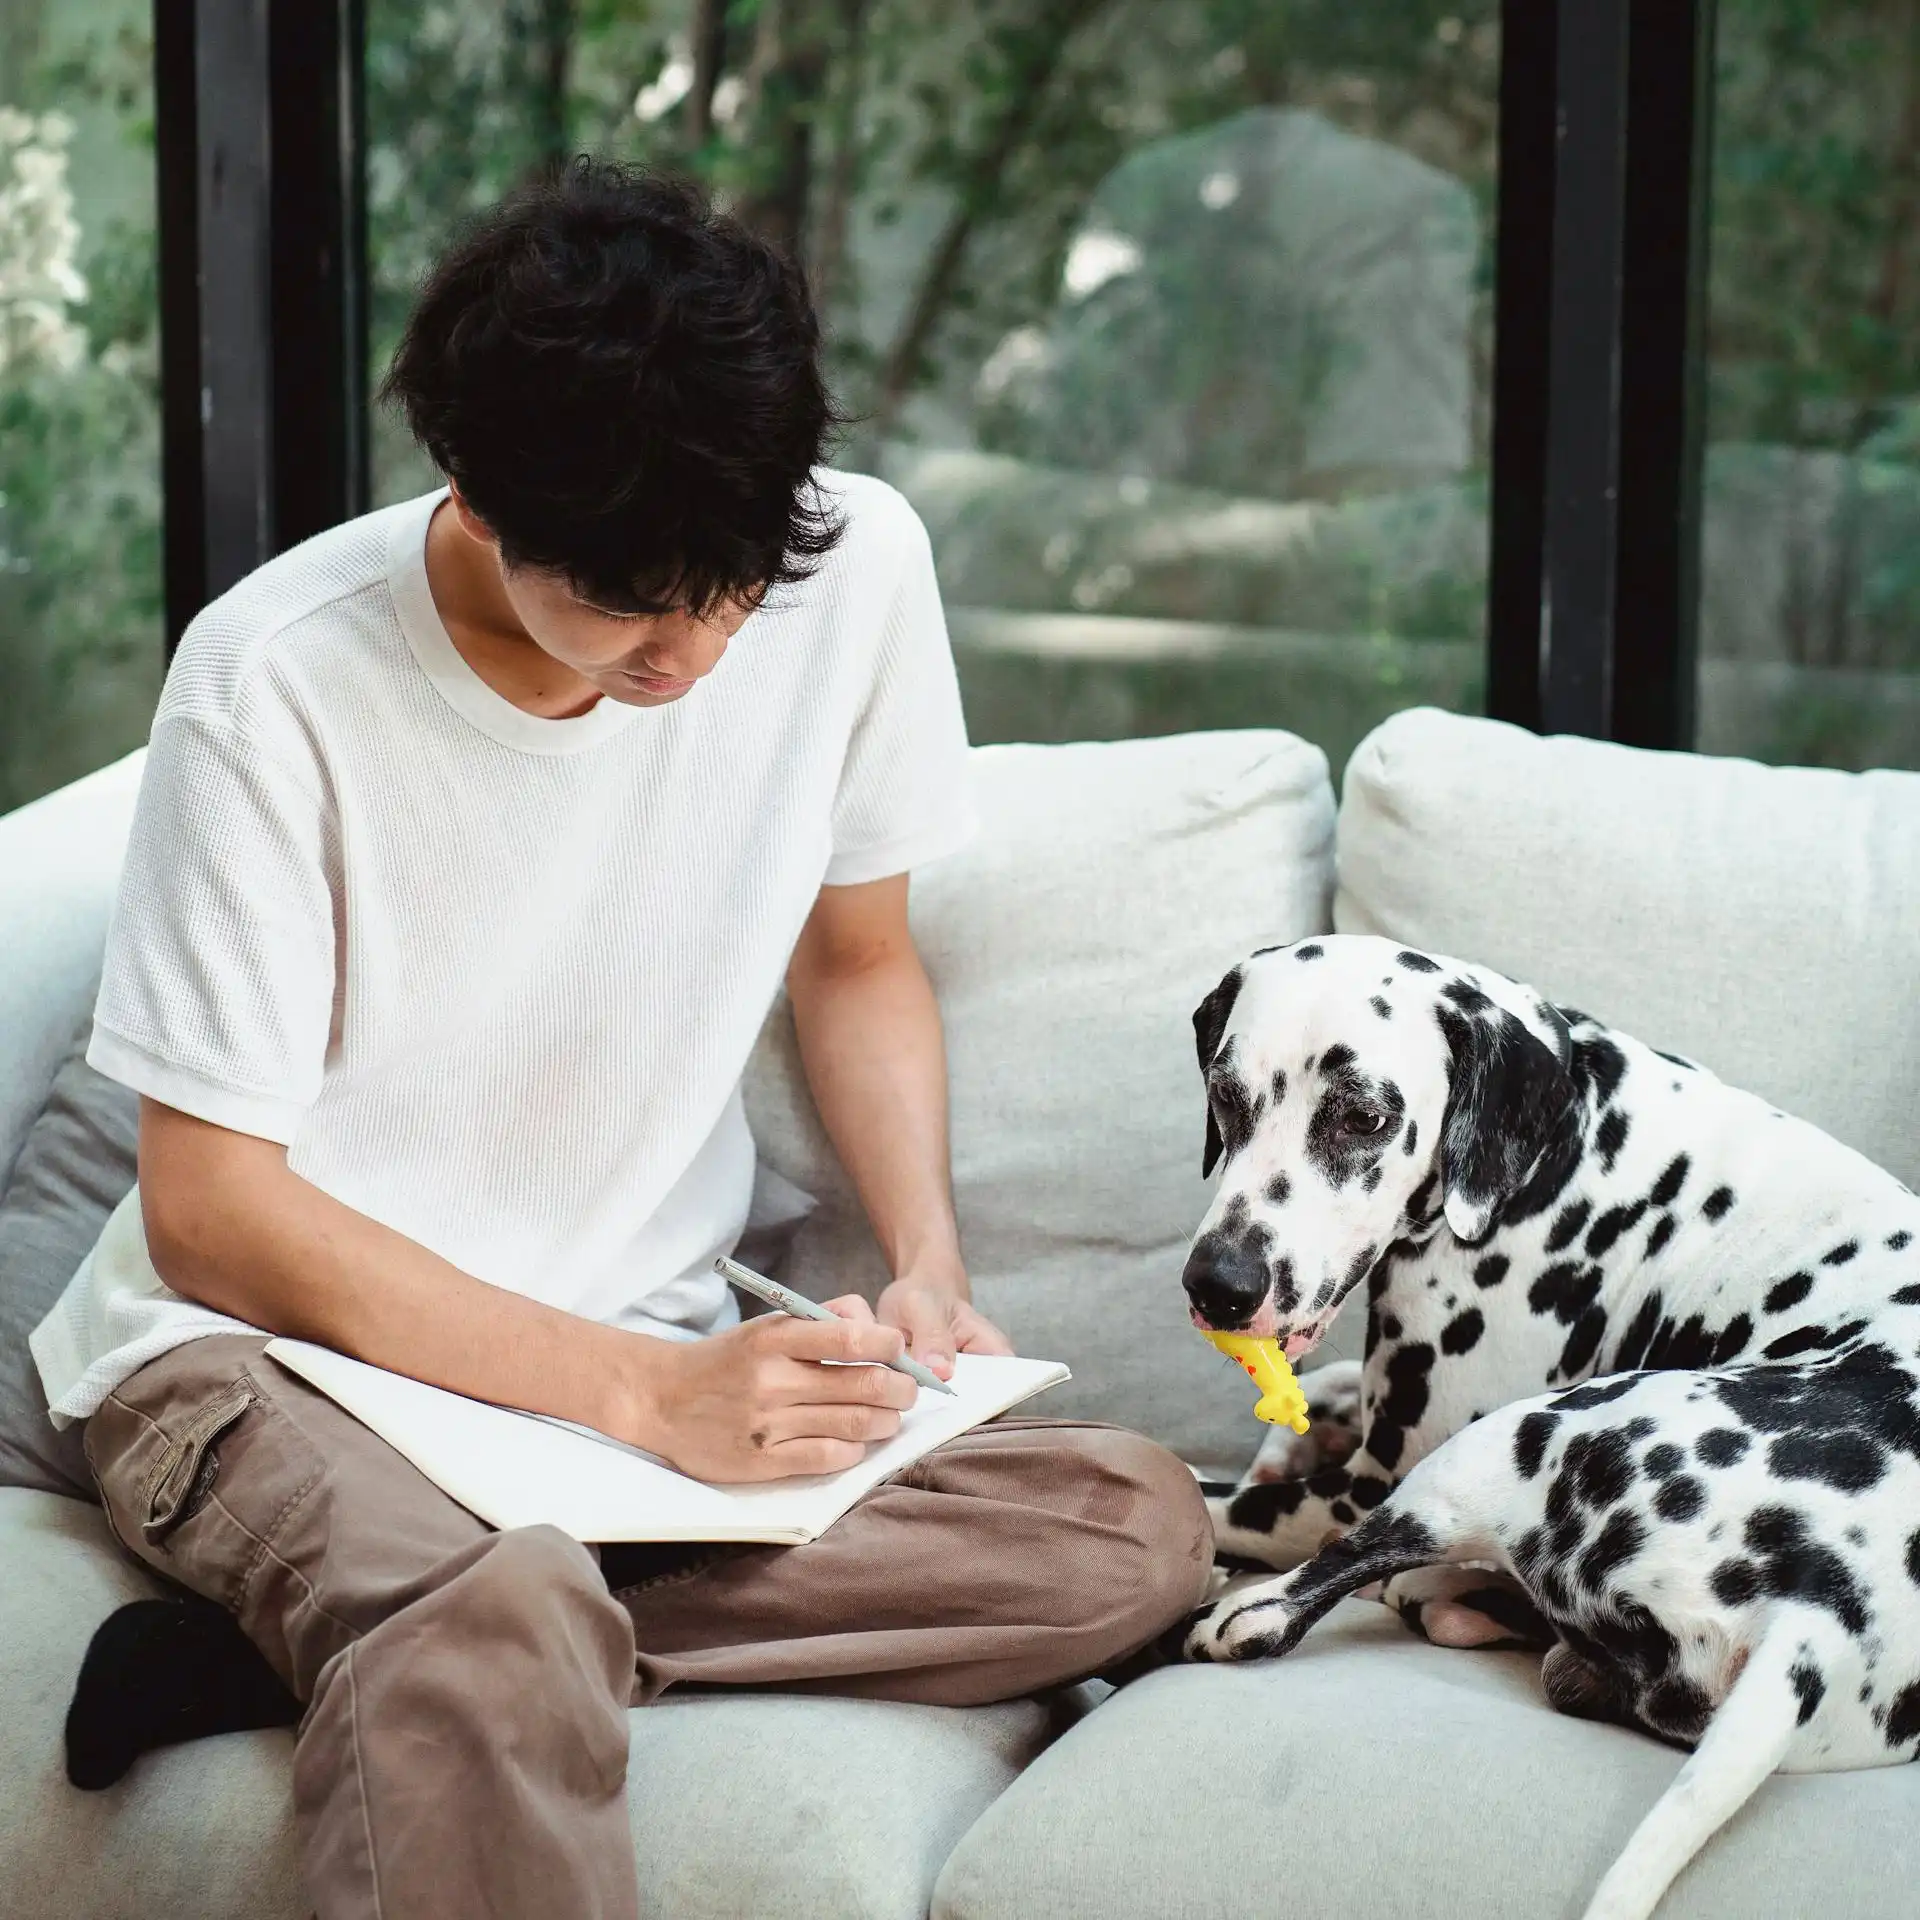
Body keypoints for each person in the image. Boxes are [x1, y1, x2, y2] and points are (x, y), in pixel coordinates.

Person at [30, 163, 1210, 1918]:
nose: (690, 651)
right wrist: (649, 1402)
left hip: (607, 1390)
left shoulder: (854, 561)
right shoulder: (270, 682)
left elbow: (860, 959)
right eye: (627, 603)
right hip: (270, 1362)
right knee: (492, 1615)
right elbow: (213, 1214)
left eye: (726, 591)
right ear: (478, 492)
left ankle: (369, 1645)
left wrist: (927, 1265)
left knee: (1133, 1528)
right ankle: (461, 1629)